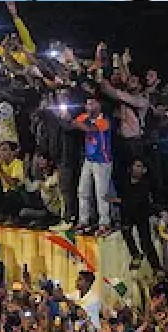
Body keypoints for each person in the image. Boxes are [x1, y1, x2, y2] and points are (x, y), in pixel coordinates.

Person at [66, 96, 114, 233]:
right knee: (82, 190)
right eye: (87, 103)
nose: (89, 106)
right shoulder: (85, 116)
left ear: (99, 105)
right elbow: (72, 125)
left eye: (92, 103)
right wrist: (66, 118)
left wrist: (72, 120)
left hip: (102, 161)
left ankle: (105, 222)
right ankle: (83, 221)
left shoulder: (105, 120)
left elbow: (90, 129)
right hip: (89, 159)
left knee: (101, 194)